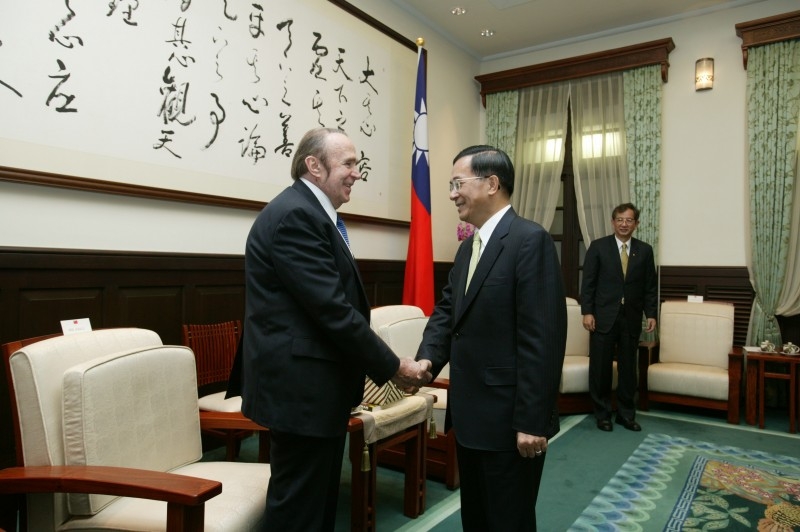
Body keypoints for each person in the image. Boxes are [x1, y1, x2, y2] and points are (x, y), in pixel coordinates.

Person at [241, 127, 431, 531]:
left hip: (313, 391)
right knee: (299, 512)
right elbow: (333, 312)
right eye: (348, 163)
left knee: (317, 504)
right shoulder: (296, 216)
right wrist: (395, 366)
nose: (356, 173)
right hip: (301, 393)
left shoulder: (310, 213)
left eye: (356, 164)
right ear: (314, 166)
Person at [414, 145, 567, 531]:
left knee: (509, 520)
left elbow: (543, 339)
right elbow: (448, 313)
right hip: (469, 419)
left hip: (510, 422)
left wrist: (533, 421)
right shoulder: (469, 248)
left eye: (457, 183)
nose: (451, 194)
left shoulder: (530, 241)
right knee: (478, 519)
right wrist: (427, 361)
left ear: (492, 184)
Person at [581, 202, 657, 432]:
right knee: (601, 369)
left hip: (631, 318)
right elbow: (588, 284)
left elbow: (649, 287)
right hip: (602, 317)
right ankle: (602, 414)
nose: (624, 224)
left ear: (636, 224)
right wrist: (587, 312)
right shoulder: (598, 247)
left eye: (629, 220)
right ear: (613, 222)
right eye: (620, 220)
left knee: (627, 370)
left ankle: (625, 415)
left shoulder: (644, 250)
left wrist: (651, 314)